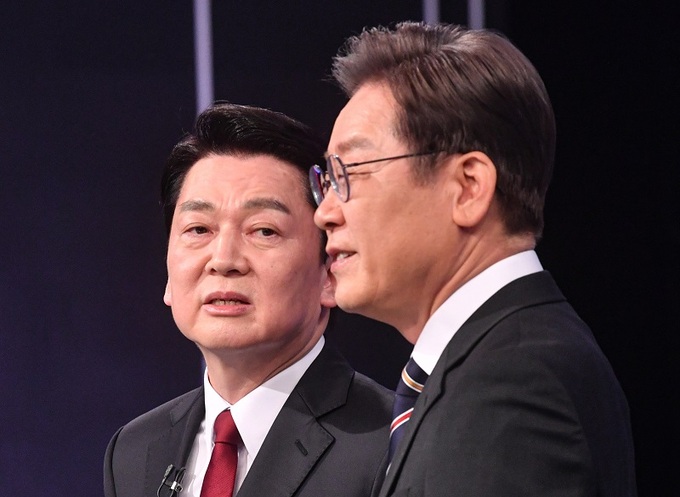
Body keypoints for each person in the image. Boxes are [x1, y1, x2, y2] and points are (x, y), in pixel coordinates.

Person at [310, 22, 637, 497]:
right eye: (327, 178)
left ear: (468, 188)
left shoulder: (513, 385)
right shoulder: (491, 363)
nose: (324, 213)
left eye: (352, 172)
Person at [104, 103, 393, 497]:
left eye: (264, 231)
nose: (224, 260)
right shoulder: (133, 452)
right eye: (199, 229)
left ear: (329, 272)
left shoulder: (392, 443)